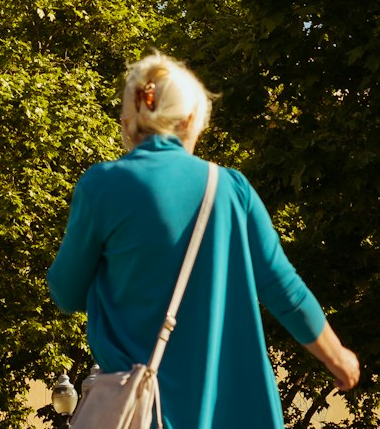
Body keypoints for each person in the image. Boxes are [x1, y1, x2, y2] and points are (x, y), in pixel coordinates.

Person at [48, 53, 359, 429]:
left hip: (142, 414)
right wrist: (336, 356)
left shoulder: (102, 186)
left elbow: (65, 292)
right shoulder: (232, 189)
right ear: (192, 119)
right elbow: (284, 289)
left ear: (129, 122)